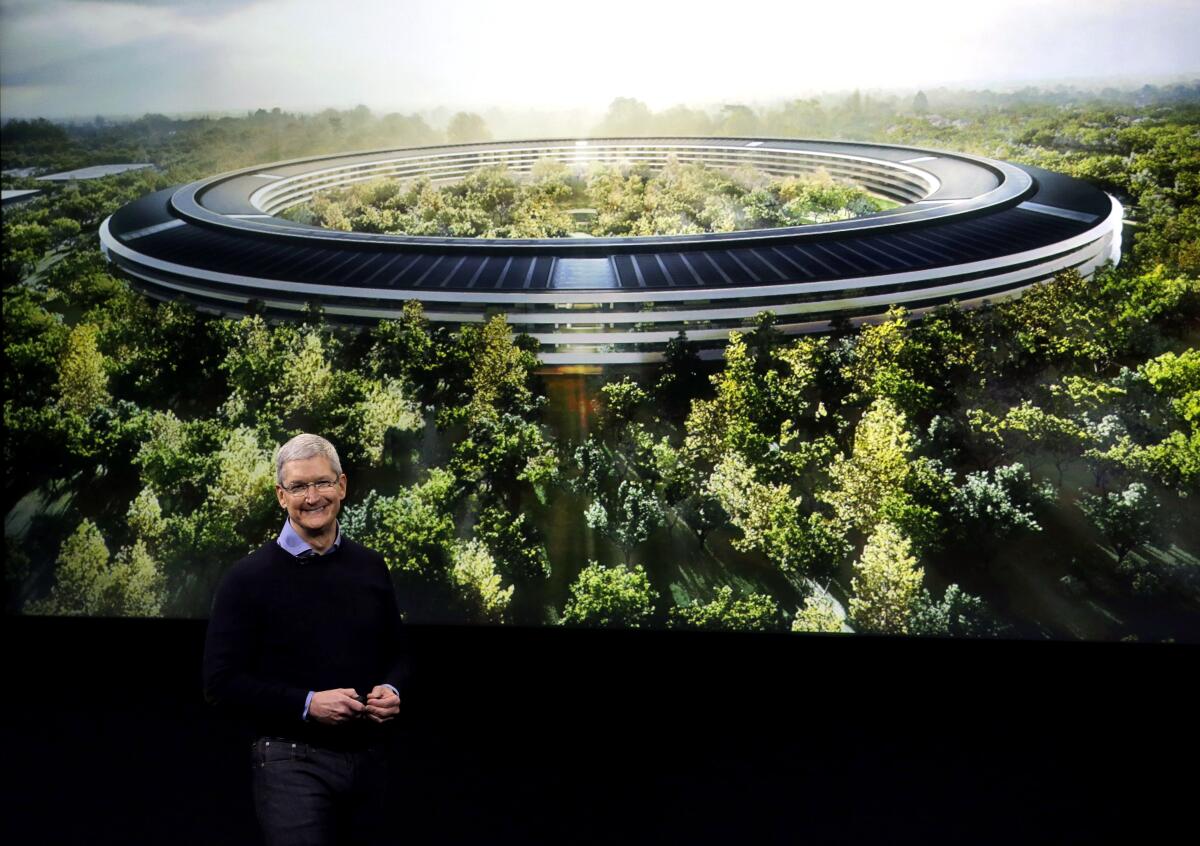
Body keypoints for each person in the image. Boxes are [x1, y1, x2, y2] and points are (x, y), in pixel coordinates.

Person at [203, 433, 408, 846]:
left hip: (369, 759)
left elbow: (400, 653)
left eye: (322, 483)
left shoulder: (370, 566)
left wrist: (392, 687)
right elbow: (220, 683)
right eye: (298, 486)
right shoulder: (247, 578)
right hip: (289, 760)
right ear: (282, 496)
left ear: (343, 486)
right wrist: (309, 704)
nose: (312, 496)